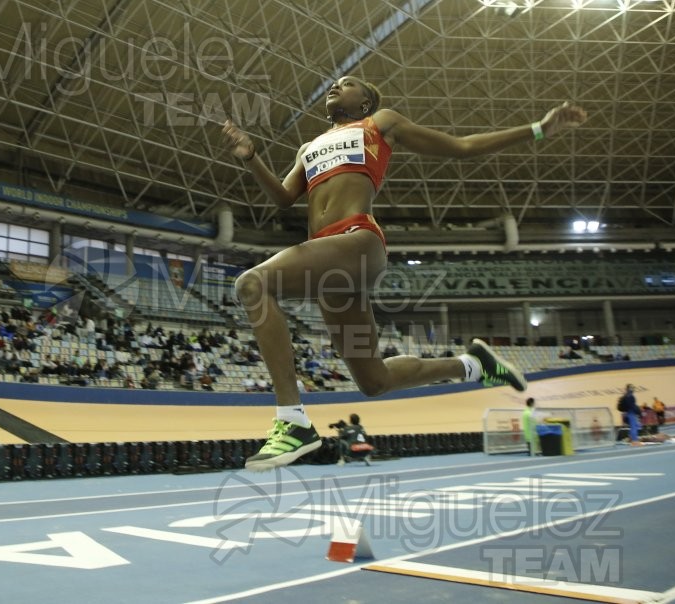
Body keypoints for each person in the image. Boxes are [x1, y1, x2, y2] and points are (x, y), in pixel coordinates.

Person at [222, 75, 587, 471]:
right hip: (333, 274)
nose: (336, 85)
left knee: (253, 283)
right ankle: (473, 365)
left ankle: (292, 421)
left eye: (348, 84)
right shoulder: (307, 148)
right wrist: (251, 157)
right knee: (374, 380)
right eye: (336, 82)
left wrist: (539, 128)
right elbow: (282, 198)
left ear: (365, 103)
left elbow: (462, 147)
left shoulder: (380, 124)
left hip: (357, 242)